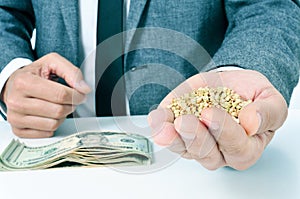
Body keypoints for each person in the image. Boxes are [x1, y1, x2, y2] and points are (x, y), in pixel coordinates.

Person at [0, 0, 299, 170]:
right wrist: (11, 74)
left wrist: (237, 73)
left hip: (190, 162)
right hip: (56, 151)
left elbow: (267, 7)